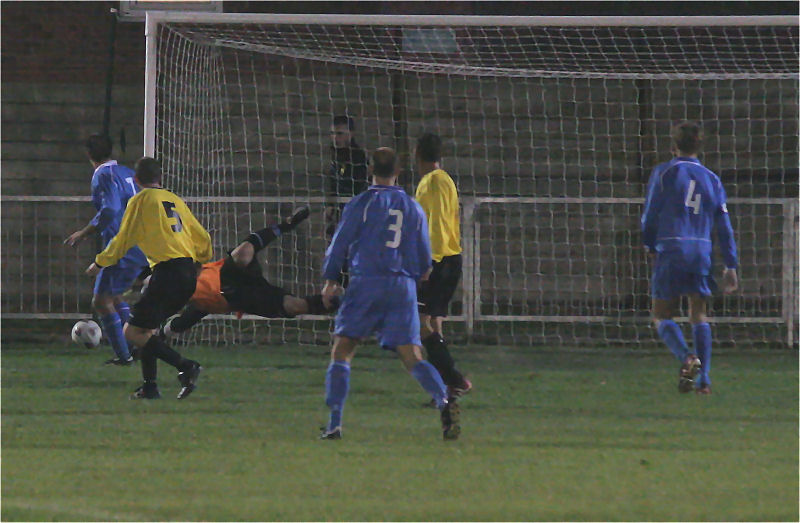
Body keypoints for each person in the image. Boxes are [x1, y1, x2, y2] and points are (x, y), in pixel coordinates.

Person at [320, 147, 460, 440]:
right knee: (412, 355)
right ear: (398, 172)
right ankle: (445, 401)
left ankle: (334, 424)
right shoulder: (412, 206)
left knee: (342, 350)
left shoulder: (361, 203)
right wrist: (420, 272)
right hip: (402, 286)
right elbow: (424, 254)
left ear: (370, 169)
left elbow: (340, 242)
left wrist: (331, 279)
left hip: (366, 283)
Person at [86, 157, 212, 400]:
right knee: (147, 332)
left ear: (136, 180)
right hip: (186, 271)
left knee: (132, 333)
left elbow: (124, 238)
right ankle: (150, 387)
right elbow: (203, 237)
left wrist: (100, 262)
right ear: (160, 178)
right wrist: (200, 263)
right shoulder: (174, 199)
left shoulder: (140, 200)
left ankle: (186, 366)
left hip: (168, 272)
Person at [641, 121, 738, 395]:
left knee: (661, 315)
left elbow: (650, 215)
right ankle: (704, 381)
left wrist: (649, 244)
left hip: (671, 248)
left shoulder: (664, 172)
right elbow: (724, 226)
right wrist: (731, 264)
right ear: (700, 146)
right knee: (699, 314)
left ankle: (687, 358)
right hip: (701, 251)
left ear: (673, 146)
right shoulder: (712, 178)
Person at [158, 206, 339, 336]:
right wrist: (163, 333)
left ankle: (286, 225)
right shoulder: (193, 303)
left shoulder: (184, 270)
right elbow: (184, 318)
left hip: (226, 273)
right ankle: (337, 303)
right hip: (241, 298)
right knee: (294, 306)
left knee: (243, 254)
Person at [65, 134, 148, 366]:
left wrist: (85, 232)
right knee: (114, 296)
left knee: (101, 301)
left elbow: (110, 209)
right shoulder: (126, 172)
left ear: (89, 155)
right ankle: (134, 346)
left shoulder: (103, 174)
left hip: (122, 245)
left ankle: (125, 355)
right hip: (139, 243)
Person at [414, 133, 472, 398]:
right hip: (451, 256)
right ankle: (446, 389)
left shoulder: (431, 183)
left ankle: (454, 378)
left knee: (420, 323)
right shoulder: (446, 179)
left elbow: (435, 224)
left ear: (417, 154)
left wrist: (429, 263)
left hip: (438, 260)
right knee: (434, 322)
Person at [324, 115, 369, 241]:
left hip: (353, 213)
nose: (335, 137)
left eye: (339, 133)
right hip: (340, 212)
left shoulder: (357, 157)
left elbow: (360, 186)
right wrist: (330, 205)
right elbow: (334, 182)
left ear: (351, 134)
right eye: (332, 133)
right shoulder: (336, 156)